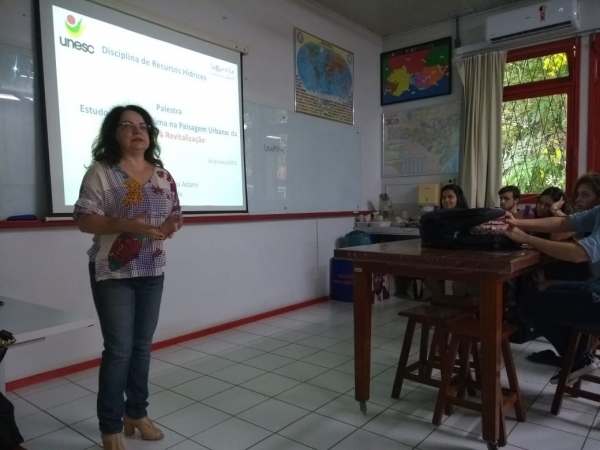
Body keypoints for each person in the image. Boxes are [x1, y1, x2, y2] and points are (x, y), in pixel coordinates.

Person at [74, 105, 183, 450]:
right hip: (113, 271)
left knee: (142, 348)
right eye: (127, 126)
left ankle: (136, 413)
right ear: (114, 133)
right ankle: (110, 425)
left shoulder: (163, 175)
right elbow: (84, 219)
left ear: (149, 135)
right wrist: (126, 224)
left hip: (153, 270)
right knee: (119, 350)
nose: (137, 131)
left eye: (143, 126)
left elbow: (177, 214)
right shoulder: (102, 173)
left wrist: (170, 226)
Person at [504, 206, 600, 385]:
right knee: (547, 291)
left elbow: (579, 254)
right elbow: (565, 222)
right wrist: (516, 222)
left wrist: (526, 238)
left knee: (528, 302)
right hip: (594, 288)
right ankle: (579, 355)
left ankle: (579, 358)